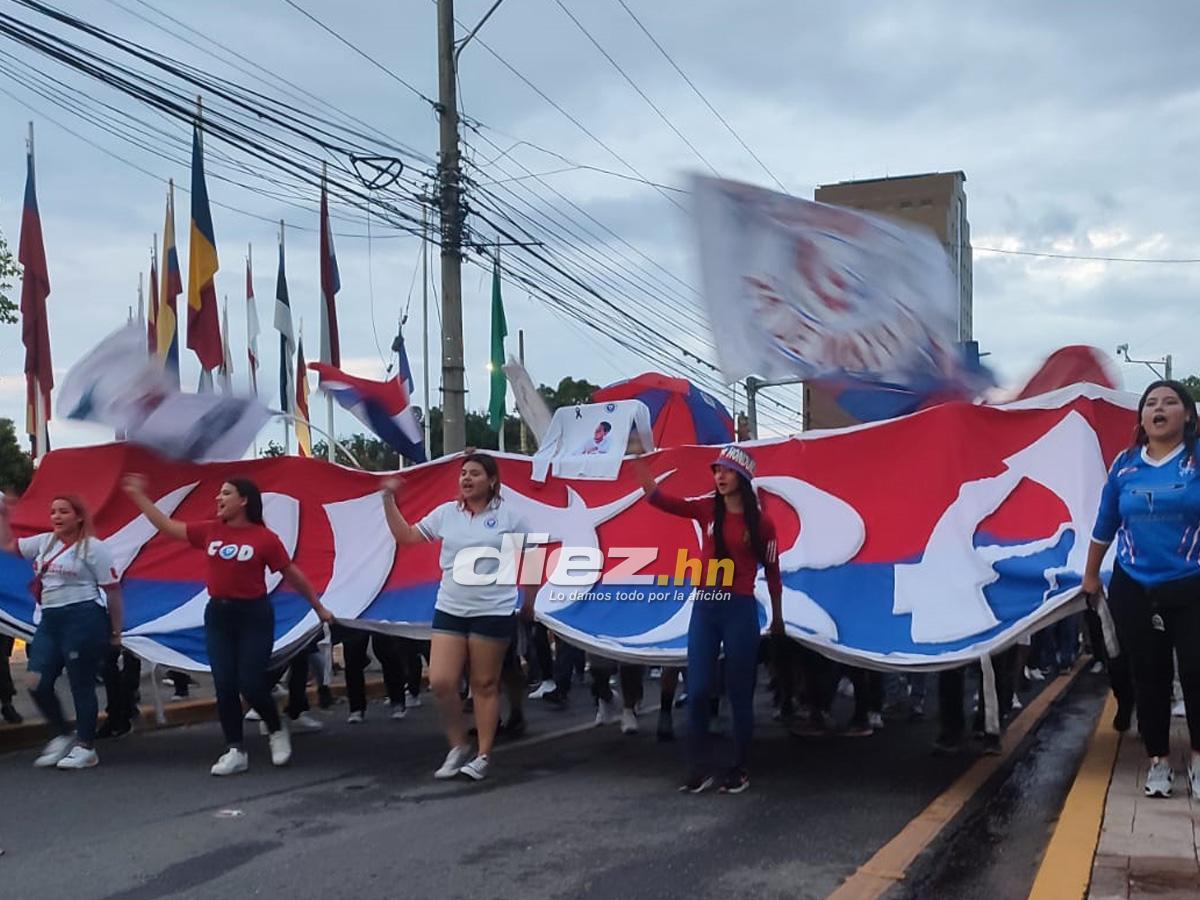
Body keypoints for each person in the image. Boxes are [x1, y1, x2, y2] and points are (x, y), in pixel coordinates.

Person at [122, 474, 333, 776]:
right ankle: (235, 749)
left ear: (244, 500)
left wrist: (319, 607)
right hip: (219, 616)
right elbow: (168, 527)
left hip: (254, 616)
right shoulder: (211, 531)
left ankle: (275, 729)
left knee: (250, 682)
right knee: (224, 684)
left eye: (225, 493)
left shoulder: (264, 538)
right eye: (219, 494)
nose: (218, 499)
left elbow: (292, 574)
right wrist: (138, 496)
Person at [634, 445, 784, 793]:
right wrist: (638, 460)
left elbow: (773, 572)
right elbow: (658, 498)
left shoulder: (762, 523)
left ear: (743, 477)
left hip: (740, 609)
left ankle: (738, 767)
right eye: (716, 470)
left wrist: (778, 619)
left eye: (727, 471)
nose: (719, 476)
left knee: (738, 692)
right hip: (705, 606)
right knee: (699, 689)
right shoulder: (706, 509)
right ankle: (698, 767)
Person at [381, 452, 534, 782]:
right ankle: (458, 745)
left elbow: (533, 555)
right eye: (463, 473)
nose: (466, 479)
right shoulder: (446, 514)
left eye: (475, 474)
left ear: (492, 481)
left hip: (493, 610)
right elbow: (406, 536)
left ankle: (482, 755)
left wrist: (529, 601)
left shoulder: (509, 516)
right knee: (441, 681)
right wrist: (387, 498)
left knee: (484, 683)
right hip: (451, 607)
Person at [1083, 380, 1200, 799]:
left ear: (1187, 414)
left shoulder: (1197, 460)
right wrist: (1091, 575)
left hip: (1191, 585)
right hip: (1134, 586)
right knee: (1149, 676)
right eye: (1151, 403)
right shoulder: (1125, 465)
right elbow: (1104, 523)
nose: (1159, 408)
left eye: (1170, 402)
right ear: (1142, 418)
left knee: (1196, 671)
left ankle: (1198, 758)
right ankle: (1159, 761)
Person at [0, 493, 123, 769]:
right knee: (35, 681)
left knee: (81, 684)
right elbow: (7, 545)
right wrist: (4, 516)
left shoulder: (93, 548)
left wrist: (116, 632)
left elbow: (113, 592)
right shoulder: (45, 542)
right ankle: (60, 734)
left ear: (78, 516)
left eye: (63, 512)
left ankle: (86, 746)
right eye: (53, 511)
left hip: (83, 617)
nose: (56, 517)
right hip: (50, 621)